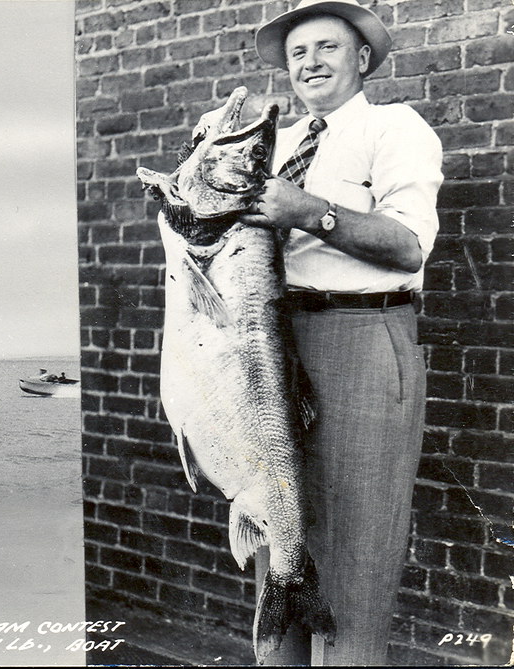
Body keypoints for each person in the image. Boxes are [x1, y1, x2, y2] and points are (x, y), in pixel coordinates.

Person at [238, 0, 443, 664]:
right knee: (281, 542)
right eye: (298, 54)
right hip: (275, 347)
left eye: (327, 48)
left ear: (361, 58)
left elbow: (409, 244)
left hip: (361, 336)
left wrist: (312, 211)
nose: (311, 63)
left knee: (355, 558)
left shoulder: (393, 128)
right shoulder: (282, 141)